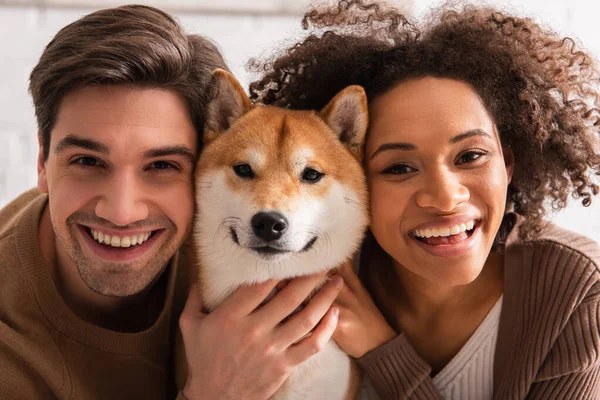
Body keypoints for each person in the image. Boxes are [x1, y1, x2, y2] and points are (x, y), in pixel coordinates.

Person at [250, 1, 600, 398]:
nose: (445, 198)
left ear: (508, 163)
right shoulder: (300, 274)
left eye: (470, 156)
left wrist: (381, 351)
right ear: (352, 182)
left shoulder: (574, 290)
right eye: (399, 168)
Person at [0, 5, 342, 399]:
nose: (122, 211)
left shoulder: (256, 228)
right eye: (88, 161)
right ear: (42, 162)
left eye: (162, 165)